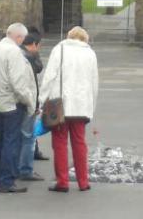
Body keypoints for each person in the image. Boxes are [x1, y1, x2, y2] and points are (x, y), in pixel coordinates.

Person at [41, 25, 99, 193]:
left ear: (69, 36)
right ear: (85, 39)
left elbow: (49, 76)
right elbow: (94, 82)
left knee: (59, 143)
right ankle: (83, 181)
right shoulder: (90, 54)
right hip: (81, 105)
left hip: (60, 103)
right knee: (79, 143)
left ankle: (63, 181)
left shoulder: (59, 49)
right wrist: (91, 106)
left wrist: (42, 100)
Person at [0, 22, 35, 193]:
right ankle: (7, 181)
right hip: (12, 104)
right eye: (23, 38)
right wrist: (29, 101)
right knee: (11, 142)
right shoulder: (14, 52)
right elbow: (18, 83)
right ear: (18, 37)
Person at [15, 29, 43, 183]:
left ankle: (14, 167)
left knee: (16, 136)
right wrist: (34, 104)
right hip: (26, 101)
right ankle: (25, 170)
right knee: (28, 137)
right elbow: (38, 70)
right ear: (33, 44)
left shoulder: (14, 53)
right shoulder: (28, 57)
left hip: (12, 102)